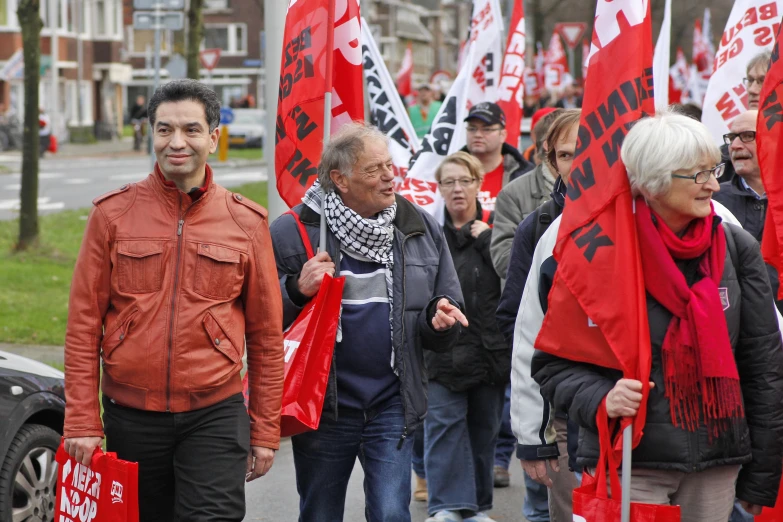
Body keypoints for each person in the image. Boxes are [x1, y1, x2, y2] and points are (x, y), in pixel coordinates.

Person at [531, 111, 783, 522]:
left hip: (717, 462)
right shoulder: (598, 254)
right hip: (632, 456)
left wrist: (762, 476)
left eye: (712, 170)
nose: (714, 184)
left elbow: (764, 364)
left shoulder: (734, 247)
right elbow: (551, 363)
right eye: (698, 175)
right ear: (653, 181)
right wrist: (602, 397)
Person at [63, 79, 285, 522]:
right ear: (151, 134)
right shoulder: (112, 215)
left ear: (213, 137)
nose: (176, 142)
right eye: (164, 130)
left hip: (215, 414)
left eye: (190, 130)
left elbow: (266, 338)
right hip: (131, 417)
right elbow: (83, 327)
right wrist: (82, 421)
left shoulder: (247, 222)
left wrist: (264, 429)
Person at [270, 122, 467, 522]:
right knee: (320, 513)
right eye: (374, 169)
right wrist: (294, 289)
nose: (388, 176)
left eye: (389, 165)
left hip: (392, 402)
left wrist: (439, 321)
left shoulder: (419, 226)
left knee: (392, 512)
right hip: (325, 407)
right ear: (340, 180)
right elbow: (257, 319)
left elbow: (444, 303)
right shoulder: (293, 232)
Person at [496, 111, 582, 522]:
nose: (577, 163)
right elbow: (518, 316)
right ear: (551, 162)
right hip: (559, 400)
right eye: (566, 155)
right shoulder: (540, 227)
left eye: (585, 151)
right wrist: (531, 424)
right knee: (547, 505)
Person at [422, 152, 509, 522]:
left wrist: (490, 240)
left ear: (478, 184)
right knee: (443, 427)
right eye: (449, 182)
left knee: (483, 431)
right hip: (442, 351)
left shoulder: (497, 230)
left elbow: (512, 280)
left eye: (465, 180)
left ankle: (474, 508)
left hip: (489, 351)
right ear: (439, 189)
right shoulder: (429, 233)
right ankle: (444, 506)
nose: (457, 189)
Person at [490, 109, 568, 285]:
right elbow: (503, 260)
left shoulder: (594, 190)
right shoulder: (513, 194)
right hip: (530, 302)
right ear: (549, 145)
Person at [463, 101, 534, 212]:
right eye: (472, 128)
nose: (477, 134)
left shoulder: (525, 175)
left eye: (486, 129)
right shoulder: (449, 173)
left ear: (503, 135)